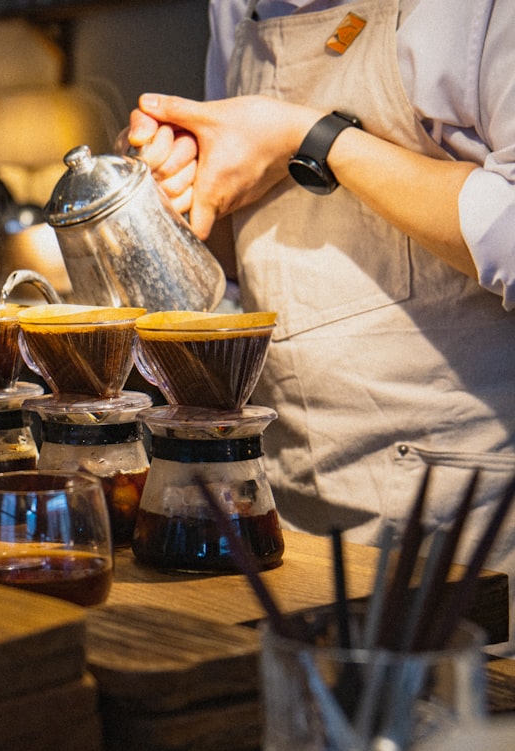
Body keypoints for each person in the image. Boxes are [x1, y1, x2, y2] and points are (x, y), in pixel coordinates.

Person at [125, 0, 515, 649]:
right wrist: (186, 179)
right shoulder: (236, 8)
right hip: (287, 497)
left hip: (463, 518)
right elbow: (238, 241)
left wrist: (313, 139)